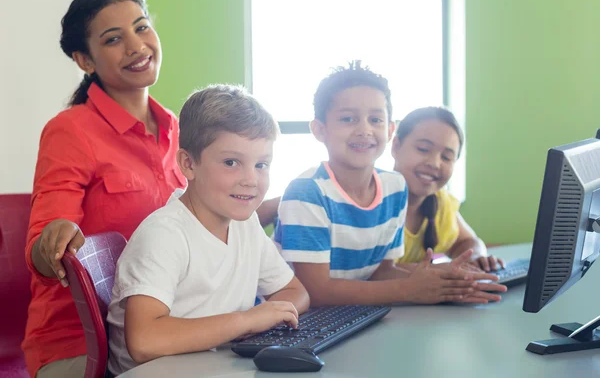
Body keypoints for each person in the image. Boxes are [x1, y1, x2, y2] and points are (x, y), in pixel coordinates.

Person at [22, 0, 186, 377]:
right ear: (85, 60)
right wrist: (52, 240)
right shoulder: (70, 131)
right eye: (113, 39)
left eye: (141, 28)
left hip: (167, 328)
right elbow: (41, 250)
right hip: (82, 343)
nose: (136, 45)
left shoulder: (179, 128)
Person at [107, 85, 310, 375]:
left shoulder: (246, 224)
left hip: (216, 366)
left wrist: (271, 317)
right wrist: (246, 321)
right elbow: (144, 341)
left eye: (262, 164)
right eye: (231, 162)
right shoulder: (164, 235)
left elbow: (294, 291)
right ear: (188, 164)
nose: (251, 180)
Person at [274, 61, 506, 307]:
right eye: (348, 119)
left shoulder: (395, 188)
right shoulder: (307, 193)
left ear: (390, 130)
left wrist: (447, 284)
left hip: (351, 317)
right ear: (320, 130)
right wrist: (409, 289)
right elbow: (316, 292)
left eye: (375, 119)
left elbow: (381, 273)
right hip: (296, 326)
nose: (364, 130)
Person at [392, 106, 504, 272]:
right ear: (395, 146)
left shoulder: (439, 201)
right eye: (423, 149)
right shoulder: (372, 201)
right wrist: (439, 271)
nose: (434, 163)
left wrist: (475, 259)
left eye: (446, 157)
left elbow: (468, 242)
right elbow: (372, 273)